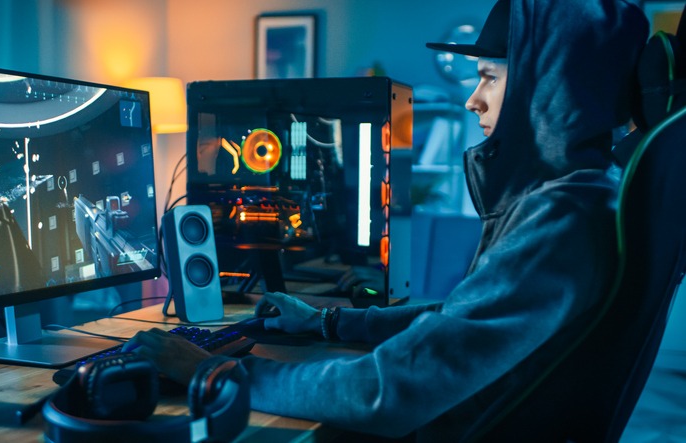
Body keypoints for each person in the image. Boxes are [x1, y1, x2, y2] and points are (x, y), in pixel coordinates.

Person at [123, 0, 649, 439]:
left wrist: (217, 370)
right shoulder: (588, 198)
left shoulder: (562, 214)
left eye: (488, 77)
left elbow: (392, 389)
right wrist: (329, 321)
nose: (473, 100)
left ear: (549, 87)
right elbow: (463, 318)